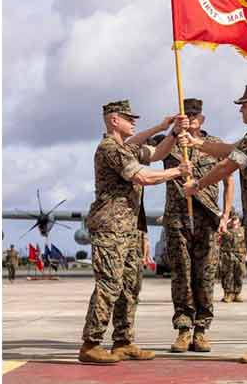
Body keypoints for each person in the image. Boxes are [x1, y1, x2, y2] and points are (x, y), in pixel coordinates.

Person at [179, 85, 247, 363]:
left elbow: (227, 165)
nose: (240, 108)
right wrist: (198, 144)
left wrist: (197, 185)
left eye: (245, 104)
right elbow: (229, 149)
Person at [78, 100, 192, 365]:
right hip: (111, 227)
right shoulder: (110, 148)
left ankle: (123, 341)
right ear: (113, 120)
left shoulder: (127, 148)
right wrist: (178, 171)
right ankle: (90, 344)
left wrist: (172, 132)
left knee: (130, 287)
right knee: (109, 284)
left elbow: (157, 154)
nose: (134, 122)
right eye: (129, 118)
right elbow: (142, 176)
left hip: (130, 229)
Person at [148, 98, 234, 354]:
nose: (192, 118)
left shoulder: (215, 145)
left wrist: (226, 215)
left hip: (207, 218)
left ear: (203, 118)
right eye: (187, 115)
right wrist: (168, 129)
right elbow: (141, 151)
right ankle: (184, 329)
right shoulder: (168, 143)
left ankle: (201, 330)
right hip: (177, 218)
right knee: (182, 276)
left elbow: (229, 181)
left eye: (195, 115)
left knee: (205, 277)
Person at [219, 212, 247, 302]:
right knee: (227, 274)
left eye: (235, 219)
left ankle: (237, 293)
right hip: (227, 255)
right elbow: (218, 240)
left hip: (240, 255)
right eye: (232, 219)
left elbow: (246, 243)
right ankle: (228, 293)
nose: (234, 221)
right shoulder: (224, 229)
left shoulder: (243, 230)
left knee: (239, 274)